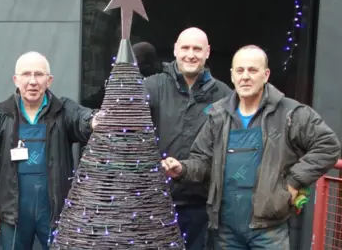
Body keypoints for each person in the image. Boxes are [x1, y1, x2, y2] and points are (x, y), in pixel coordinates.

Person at [161, 45, 341, 249]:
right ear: (232, 76)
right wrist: (182, 169)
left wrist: (294, 180)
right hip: (225, 230)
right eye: (240, 70)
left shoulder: (291, 113)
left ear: (266, 75)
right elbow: (203, 161)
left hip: (269, 230)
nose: (245, 76)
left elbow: (328, 146)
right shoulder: (218, 116)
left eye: (252, 71)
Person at [0, 51, 97, 250]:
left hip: (54, 212)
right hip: (12, 213)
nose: (32, 81)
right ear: (16, 79)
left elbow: (83, 119)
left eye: (39, 75)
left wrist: (96, 120)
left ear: (49, 80)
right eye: (26, 74)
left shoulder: (63, 111)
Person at [143, 27, 231, 249]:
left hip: (200, 205)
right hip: (155, 201)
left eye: (197, 49)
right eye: (185, 48)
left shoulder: (224, 95)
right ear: (175, 50)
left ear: (207, 52)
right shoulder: (151, 87)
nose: (190, 54)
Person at [83, 41, 161, 109]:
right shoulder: (122, 79)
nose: (128, 61)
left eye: (133, 57)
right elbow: (97, 99)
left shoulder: (156, 84)